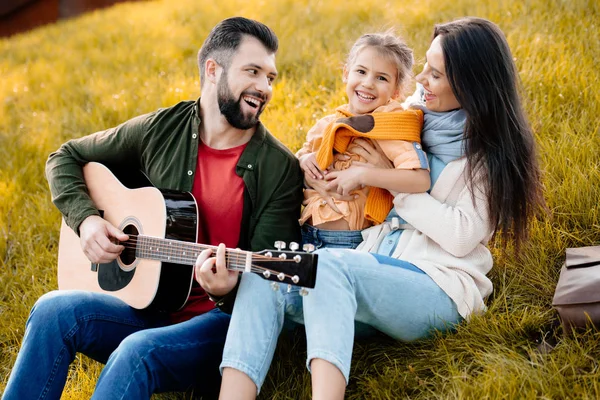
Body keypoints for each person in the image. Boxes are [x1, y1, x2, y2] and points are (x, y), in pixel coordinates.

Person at [217, 17, 545, 400]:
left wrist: (385, 179)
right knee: (266, 269)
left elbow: (461, 236)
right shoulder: (411, 115)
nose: (421, 80)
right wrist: (310, 159)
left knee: (327, 267)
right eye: (425, 66)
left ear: (470, 84)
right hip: (373, 266)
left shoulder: (486, 155)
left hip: (437, 285)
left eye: (435, 75)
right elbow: (346, 138)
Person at [2, 17, 303, 400]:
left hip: (219, 325)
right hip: (147, 305)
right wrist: (87, 221)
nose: (264, 87)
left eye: (271, 78)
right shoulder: (162, 129)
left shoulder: (279, 168)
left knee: (136, 351)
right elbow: (65, 156)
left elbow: (270, 282)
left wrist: (227, 291)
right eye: (253, 72)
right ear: (213, 70)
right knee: (51, 311)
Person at [296, 31, 430, 250]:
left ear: (396, 91)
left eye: (381, 78)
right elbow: (299, 158)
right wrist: (303, 161)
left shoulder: (387, 126)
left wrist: (365, 174)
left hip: (351, 241)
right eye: (361, 71)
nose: (368, 83)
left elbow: (420, 180)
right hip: (306, 233)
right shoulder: (328, 124)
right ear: (346, 74)